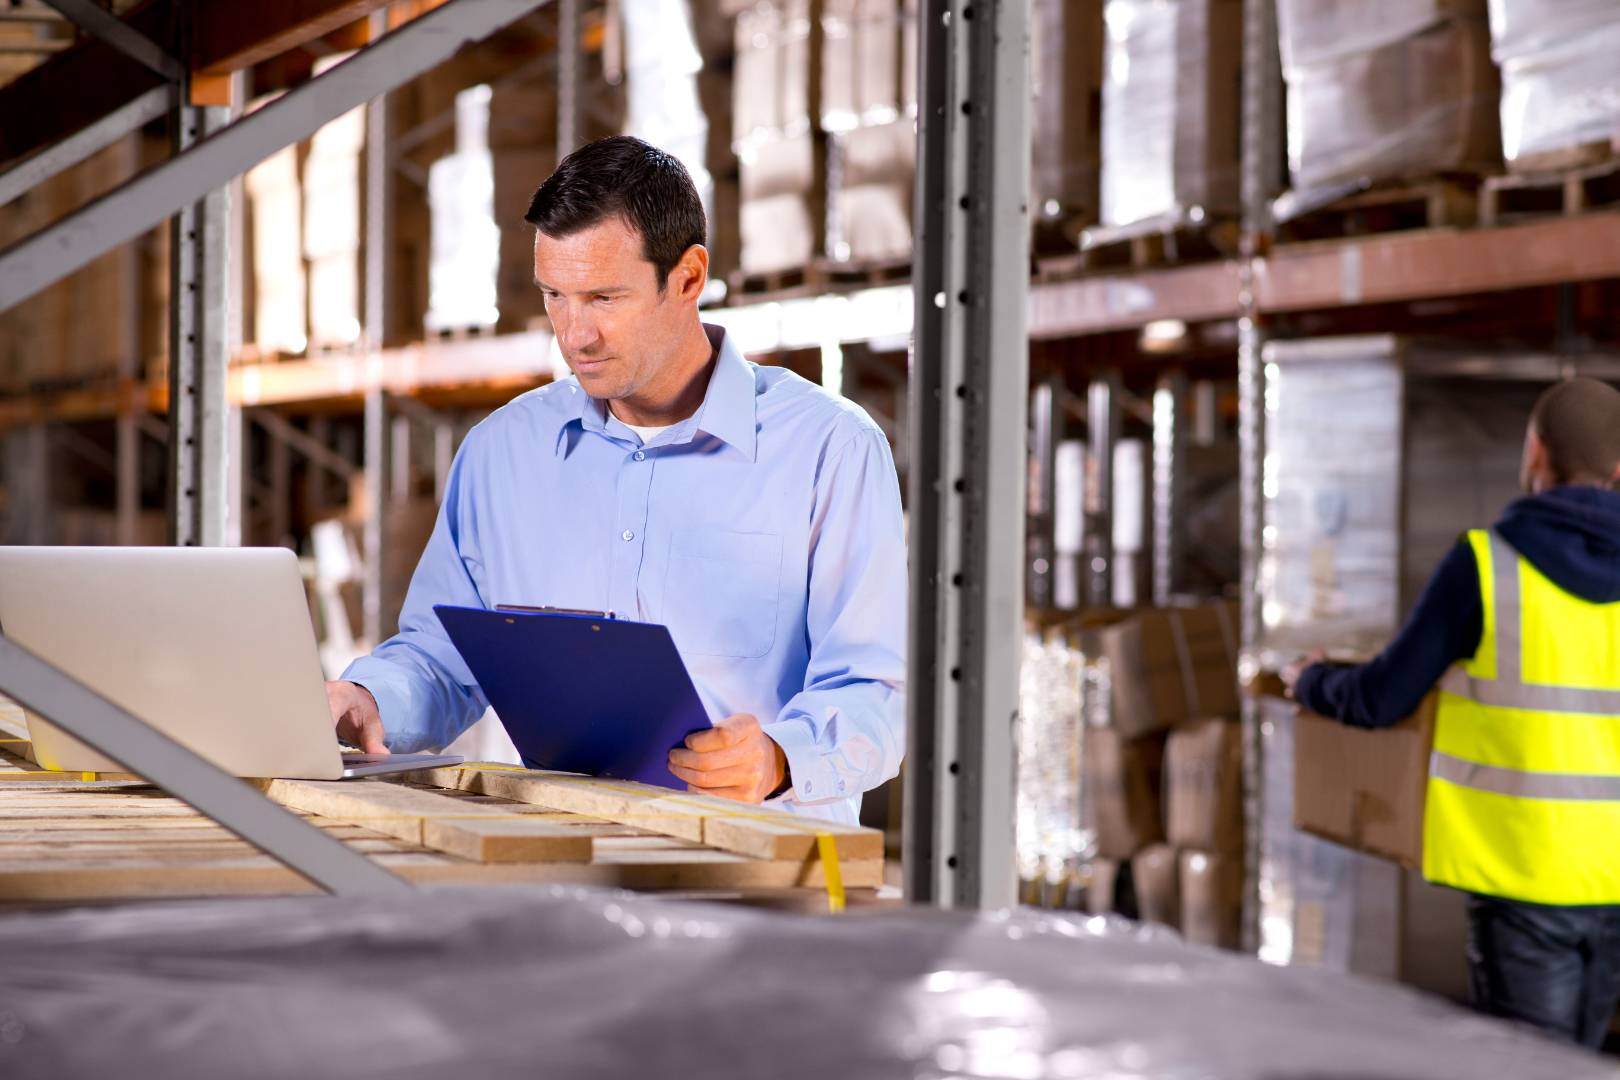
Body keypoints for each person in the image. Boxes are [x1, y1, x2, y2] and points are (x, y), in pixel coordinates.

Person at [324, 136, 906, 825]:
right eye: (555, 297)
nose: (575, 335)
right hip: (565, 874)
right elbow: (443, 657)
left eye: (603, 297)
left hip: (761, 880)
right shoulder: (503, 454)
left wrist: (780, 757)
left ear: (688, 278)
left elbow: (875, 691)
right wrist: (372, 697)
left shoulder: (827, 449)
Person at [1283, 376, 1620, 1048]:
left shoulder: (1487, 564)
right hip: (1613, 884)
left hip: (1520, 880)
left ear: (1533, 453)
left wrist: (1310, 680)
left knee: (1526, 1069)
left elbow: (1383, 697)